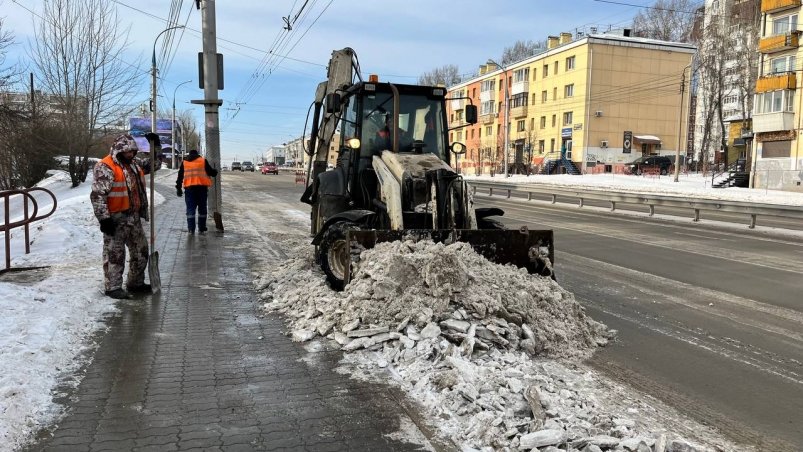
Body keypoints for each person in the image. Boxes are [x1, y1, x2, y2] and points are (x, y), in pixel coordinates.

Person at [90, 133, 152, 299]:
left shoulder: (134, 164)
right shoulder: (105, 166)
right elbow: (98, 194)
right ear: (118, 150)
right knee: (115, 254)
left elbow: (153, 165)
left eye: (132, 151)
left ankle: (135, 283)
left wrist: (155, 146)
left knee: (141, 251)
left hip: (134, 217)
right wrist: (104, 219)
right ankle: (113, 287)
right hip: (116, 218)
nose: (130, 154)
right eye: (127, 152)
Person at [175, 149, 218, 234]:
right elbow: (211, 172)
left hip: (189, 189)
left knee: (190, 209)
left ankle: (191, 229)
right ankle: (202, 228)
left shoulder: (185, 162)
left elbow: (180, 176)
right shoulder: (203, 161)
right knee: (202, 208)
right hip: (202, 189)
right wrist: (215, 171)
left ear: (189, 155)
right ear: (197, 154)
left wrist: (178, 188)